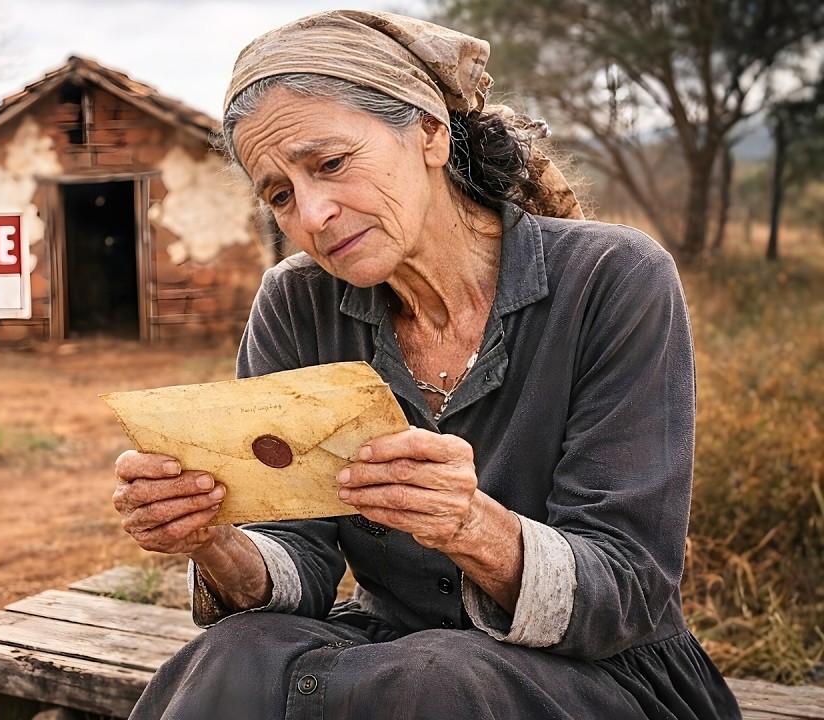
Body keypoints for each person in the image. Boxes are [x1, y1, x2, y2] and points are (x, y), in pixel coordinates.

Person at [111, 10, 741, 719]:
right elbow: (301, 558)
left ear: (431, 134)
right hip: (393, 656)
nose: (313, 214)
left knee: (433, 678)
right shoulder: (296, 303)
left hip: (601, 673)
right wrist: (216, 540)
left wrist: (473, 526)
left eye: (331, 164)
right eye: (281, 194)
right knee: (229, 655)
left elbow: (627, 589)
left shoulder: (612, 278)